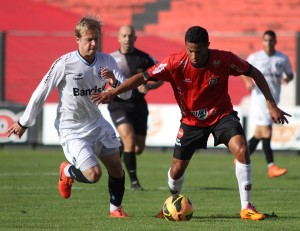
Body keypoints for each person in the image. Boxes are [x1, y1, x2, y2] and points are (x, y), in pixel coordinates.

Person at [91, 26, 291, 220]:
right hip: (191, 121)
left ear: (208, 46)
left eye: (198, 51)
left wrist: (271, 105)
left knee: (242, 150)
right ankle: (172, 202)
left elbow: (254, 72)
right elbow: (141, 78)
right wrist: (113, 92)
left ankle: (246, 206)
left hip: (222, 116)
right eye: (190, 50)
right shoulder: (174, 62)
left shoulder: (224, 59)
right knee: (176, 171)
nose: (194, 56)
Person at [6, 16, 132, 218]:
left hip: (97, 124)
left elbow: (128, 93)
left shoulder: (107, 61)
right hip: (72, 129)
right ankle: (66, 172)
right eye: (88, 39)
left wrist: (114, 81)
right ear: (77, 39)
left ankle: (115, 210)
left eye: (96, 39)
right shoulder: (65, 63)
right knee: (93, 175)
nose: (93, 43)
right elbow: (41, 92)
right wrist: (24, 122)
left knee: (117, 168)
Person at [108, 25, 163, 191]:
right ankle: (133, 183)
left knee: (138, 148)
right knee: (130, 140)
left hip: (139, 105)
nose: (127, 39)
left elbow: (162, 76)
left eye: (130, 36)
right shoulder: (110, 59)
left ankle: (119, 145)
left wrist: (150, 87)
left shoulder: (145, 58)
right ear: (118, 38)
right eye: (124, 36)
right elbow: (97, 78)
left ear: (135, 38)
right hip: (119, 104)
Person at [242, 30, 293, 178]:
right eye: (265, 40)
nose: (268, 43)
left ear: (275, 42)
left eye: (271, 40)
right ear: (262, 42)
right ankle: (271, 166)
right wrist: (247, 82)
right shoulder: (255, 57)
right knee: (266, 131)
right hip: (259, 99)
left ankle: (239, 157)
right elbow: (243, 71)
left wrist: (287, 79)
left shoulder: (282, 58)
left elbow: (290, 73)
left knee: (259, 133)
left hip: (274, 99)